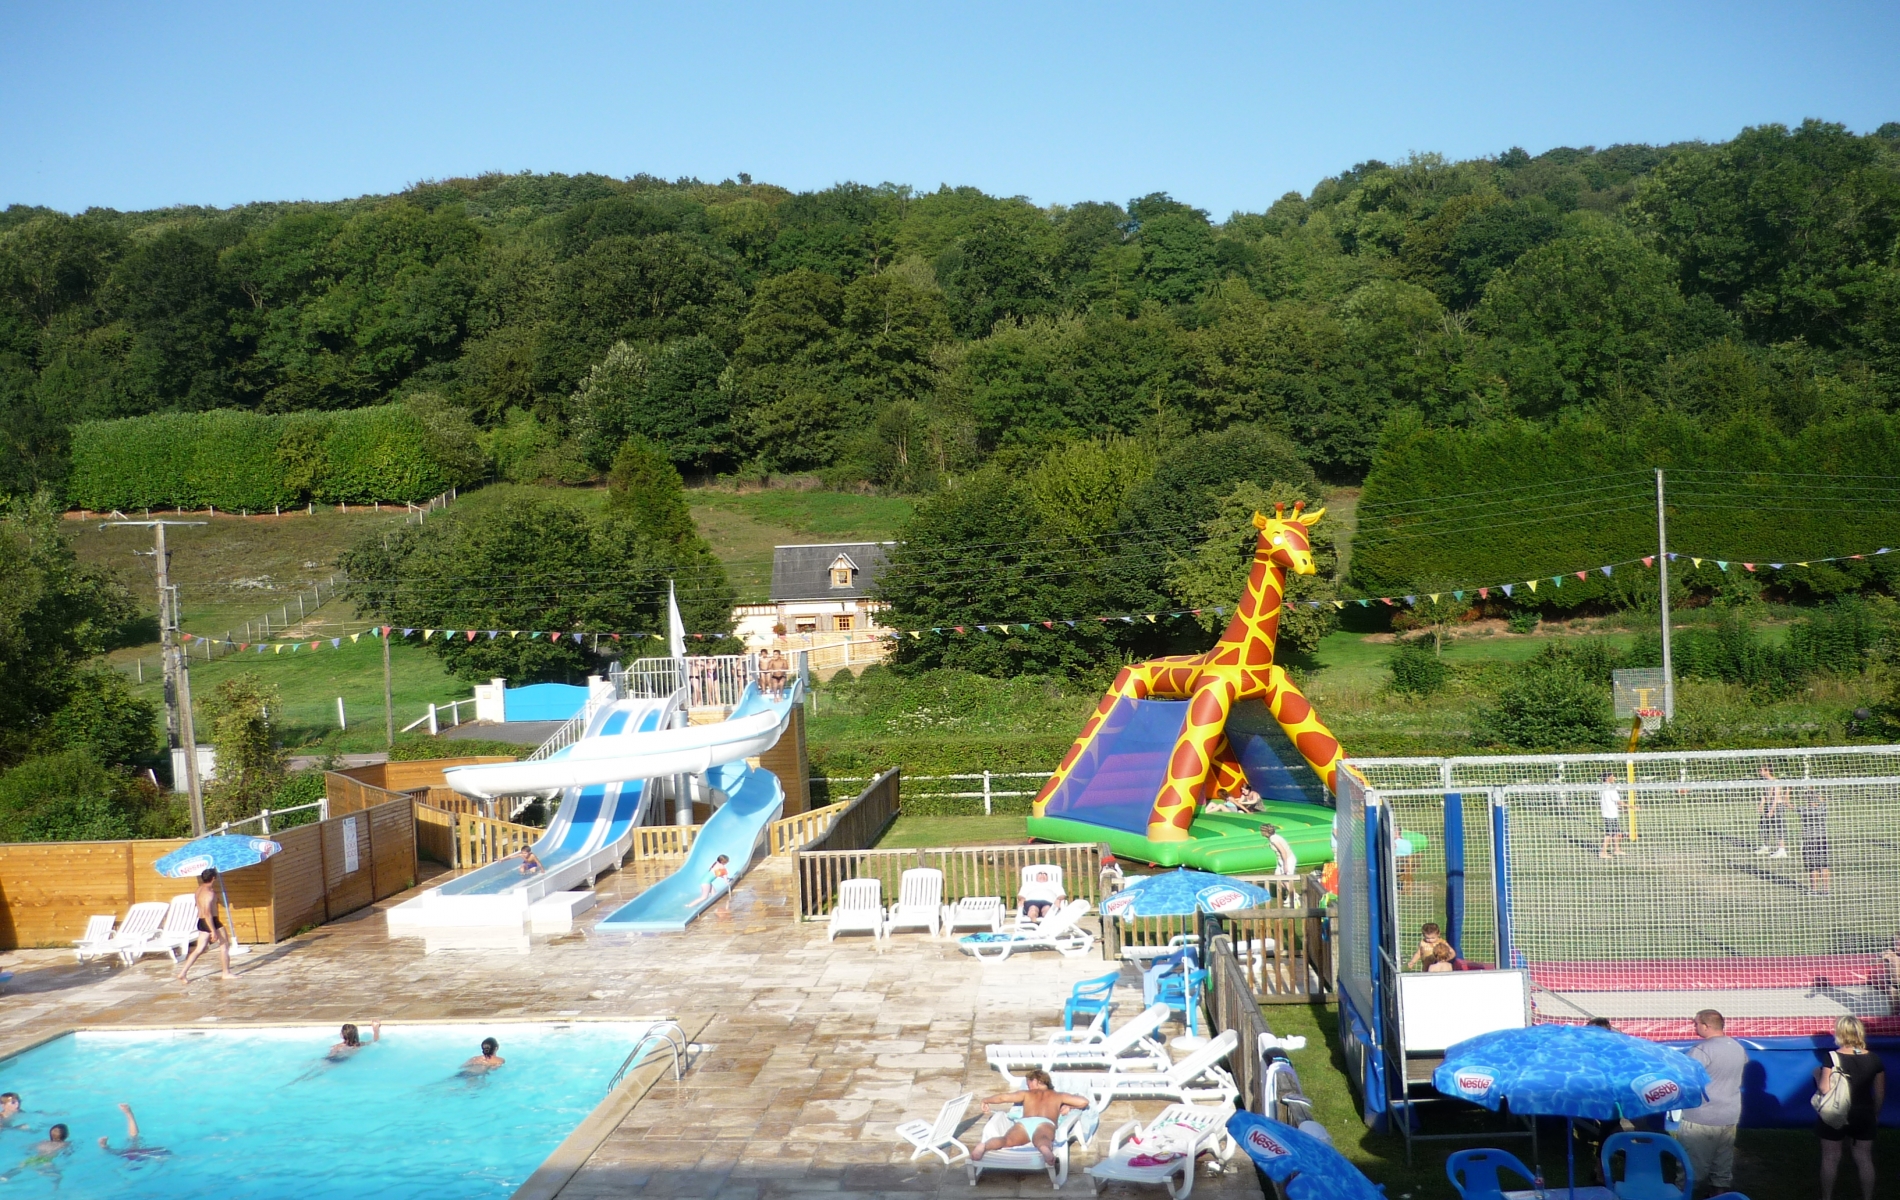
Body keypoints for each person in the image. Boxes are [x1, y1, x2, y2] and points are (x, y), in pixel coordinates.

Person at [1677, 1009, 1747, 1199]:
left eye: (1696, 1023)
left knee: (1691, 1168)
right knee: (1722, 1168)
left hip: (1702, 1117)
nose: (1694, 1027)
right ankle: (1720, 1196)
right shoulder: (1737, 1047)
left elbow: (1686, 1079)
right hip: (1729, 1114)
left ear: (1706, 1026)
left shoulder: (1701, 1050)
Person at [1815, 1014, 1884, 1200]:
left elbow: (1824, 1088)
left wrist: (1817, 1076)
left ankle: (1827, 1197)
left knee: (1830, 1157)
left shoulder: (1831, 1057)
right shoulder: (1874, 1059)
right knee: (1864, 1158)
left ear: (1840, 1033)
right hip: (1864, 1112)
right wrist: (1875, 1114)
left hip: (1836, 1112)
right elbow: (1879, 1094)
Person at [970, 1070, 1092, 1167]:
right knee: (1042, 1139)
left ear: (1038, 1080)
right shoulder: (1058, 1096)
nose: (1028, 1086)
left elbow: (1003, 1097)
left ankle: (984, 1146)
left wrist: (985, 1100)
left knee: (1006, 1140)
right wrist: (1068, 1105)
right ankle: (1045, 1150)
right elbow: (1084, 1102)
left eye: (1029, 1082)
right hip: (1045, 1122)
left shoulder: (1026, 1094)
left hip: (1024, 1123)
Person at [176, 866, 235, 982]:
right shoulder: (209, 893)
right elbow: (208, 913)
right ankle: (226, 972)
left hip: (201, 921)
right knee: (224, 945)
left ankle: (182, 973)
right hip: (211, 921)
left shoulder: (199, 890)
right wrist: (213, 930)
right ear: (214, 878)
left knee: (199, 949)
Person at [98, 1103, 170, 1165]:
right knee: (135, 1140)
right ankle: (129, 1114)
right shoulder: (161, 1152)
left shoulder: (130, 1156)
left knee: (134, 1141)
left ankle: (104, 1146)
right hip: (144, 1155)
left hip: (139, 1156)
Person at [0, 1123, 69, 1182]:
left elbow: (29, 1148)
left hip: (33, 1158)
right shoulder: (65, 1144)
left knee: (20, 1167)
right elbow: (66, 1153)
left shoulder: (43, 1142)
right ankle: (43, 1173)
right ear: (67, 1135)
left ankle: (6, 1176)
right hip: (46, 1159)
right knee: (57, 1175)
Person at [1799, 789, 1831, 895]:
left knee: (1812, 866)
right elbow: (1824, 802)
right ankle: (1826, 889)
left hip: (1809, 840)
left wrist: (1788, 790)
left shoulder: (1804, 810)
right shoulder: (1822, 809)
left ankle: (1814, 889)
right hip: (1821, 839)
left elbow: (1787, 803)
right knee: (1823, 865)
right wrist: (1815, 793)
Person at [1756, 765, 1789, 858]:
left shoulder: (1775, 782)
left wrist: (1772, 809)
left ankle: (1782, 849)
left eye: (1761, 770)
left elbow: (1776, 797)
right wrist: (1761, 805)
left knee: (1778, 827)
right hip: (1768, 805)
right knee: (1763, 825)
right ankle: (1765, 846)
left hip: (1777, 806)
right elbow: (1764, 796)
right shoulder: (1763, 782)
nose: (1759, 772)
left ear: (1767, 771)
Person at [1598, 774, 1627, 860]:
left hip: (1609, 813)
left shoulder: (1602, 787)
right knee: (1609, 834)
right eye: (1612, 776)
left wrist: (1622, 809)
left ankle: (1617, 850)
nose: (1614, 778)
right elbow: (1619, 802)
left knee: (1616, 833)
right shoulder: (1611, 788)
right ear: (1607, 778)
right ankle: (1602, 852)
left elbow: (1611, 802)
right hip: (1610, 815)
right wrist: (1631, 806)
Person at [1878, 933, 1900, 1014]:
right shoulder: (1889, 954)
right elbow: (1870, 963)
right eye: (1895, 944)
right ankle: (1894, 1017)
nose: (1897, 947)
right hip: (1893, 983)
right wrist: (1880, 957)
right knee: (1895, 1008)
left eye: (1899, 945)